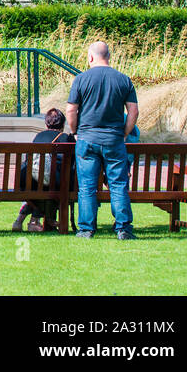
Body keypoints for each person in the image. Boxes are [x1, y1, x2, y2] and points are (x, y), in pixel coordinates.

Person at [66, 40, 138, 241]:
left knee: (87, 186)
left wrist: (75, 132)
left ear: (90, 57)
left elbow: (71, 109)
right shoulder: (123, 79)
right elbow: (133, 111)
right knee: (118, 184)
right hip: (114, 139)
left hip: (87, 138)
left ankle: (86, 229)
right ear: (109, 56)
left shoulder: (81, 79)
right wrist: (124, 133)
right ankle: (123, 228)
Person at [12, 108, 73, 233]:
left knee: (41, 189)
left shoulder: (38, 137)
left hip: (30, 181)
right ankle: (39, 221)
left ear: (46, 124)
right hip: (53, 183)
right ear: (62, 125)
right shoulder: (66, 138)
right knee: (55, 187)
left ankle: (20, 220)